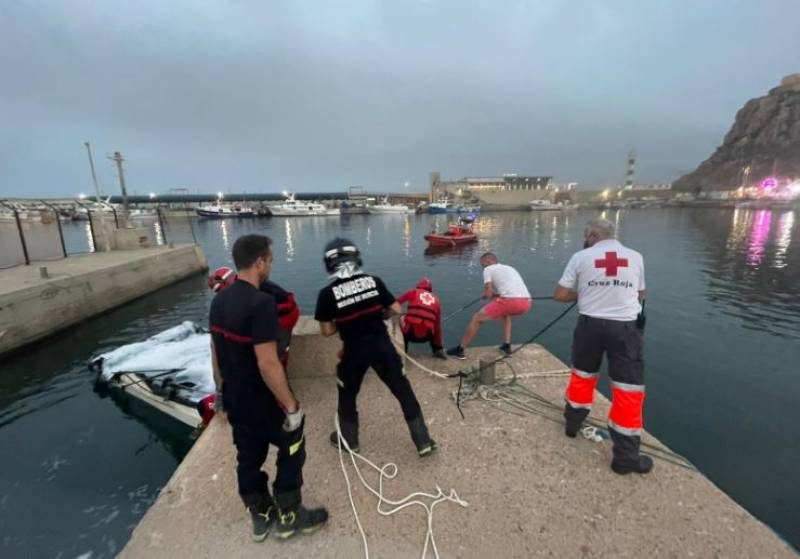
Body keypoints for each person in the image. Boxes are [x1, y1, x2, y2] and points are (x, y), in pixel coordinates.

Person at [209, 235, 328, 542]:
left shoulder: (219, 300)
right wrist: (291, 406)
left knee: (248, 457)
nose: (270, 266)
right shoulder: (261, 303)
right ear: (259, 262)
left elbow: (215, 352)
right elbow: (268, 363)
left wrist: (222, 393)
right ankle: (290, 515)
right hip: (263, 400)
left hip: (235, 399)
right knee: (293, 445)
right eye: (270, 260)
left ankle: (260, 517)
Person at [314, 238, 437, 457]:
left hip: (354, 352)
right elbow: (397, 308)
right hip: (382, 347)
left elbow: (326, 331)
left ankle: (349, 441)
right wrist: (379, 315)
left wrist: (344, 321)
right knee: (402, 390)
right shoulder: (374, 281)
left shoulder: (326, 294)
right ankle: (423, 441)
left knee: (348, 393)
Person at [553, 218, 652, 475]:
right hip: (625, 329)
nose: (585, 241)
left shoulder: (581, 257)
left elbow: (560, 295)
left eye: (587, 236)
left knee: (583, 376)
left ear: (594, 235)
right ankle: (626, 457)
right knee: (627, 390)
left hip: (590, 327)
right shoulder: (635, 256)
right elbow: (640, 295)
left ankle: (572, 424)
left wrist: (584, 294)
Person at [208, 266, 300, 369]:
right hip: (285, 314)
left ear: (225, 283)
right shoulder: (248, 283)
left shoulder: (246, 291)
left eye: (219, 290)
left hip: (281, 320)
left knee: (270, 358)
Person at [446, 252, 531, 359]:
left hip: (510, 301)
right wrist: (492, 294)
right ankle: (506, 346)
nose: (483, 268)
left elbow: (488, 292)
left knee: (477, 318)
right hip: (527, 302)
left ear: (488, 262)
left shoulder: (488, 269)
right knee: (506, 314)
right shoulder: (509, 268)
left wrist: (486, 295)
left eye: (482, 265)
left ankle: (460, 350)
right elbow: (505, 290)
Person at [397, 277, 446, 359]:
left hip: (410, 334)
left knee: (401, 317)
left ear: (418, 286)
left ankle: (403, 351)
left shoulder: (413, 292)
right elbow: (437, 327)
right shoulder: (437, 301)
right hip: (427, 337)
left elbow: (396, 302)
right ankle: (437, 350)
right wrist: (439, 344)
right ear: (430, 289)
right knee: (434, 325)